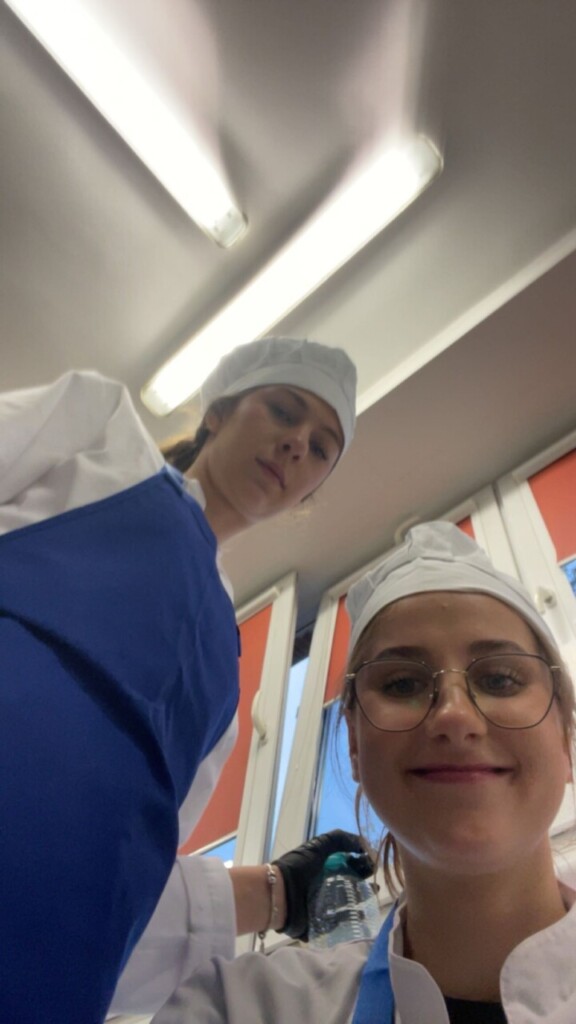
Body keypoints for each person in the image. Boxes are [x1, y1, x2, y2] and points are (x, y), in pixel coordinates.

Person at [0, 337, 357, 1024]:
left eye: (320, 449)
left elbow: (128, 881)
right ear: (217, 412)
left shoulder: (222, 672)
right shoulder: (101, 438)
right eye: (284, 412)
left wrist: (274, 896)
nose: (296, 445)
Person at [149, 521, 576, 1024]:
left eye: (500, 679)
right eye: (402, 684)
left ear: (566, 734)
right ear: (354, 744)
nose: (455, 715)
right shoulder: (243, 1008)